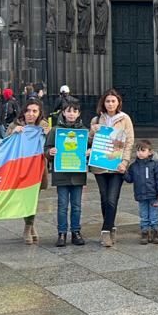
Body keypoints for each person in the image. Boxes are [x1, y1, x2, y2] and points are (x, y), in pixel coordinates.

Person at [90, 89, 135, 247]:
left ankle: (105, 230)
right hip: (100, 165)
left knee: (111, 199)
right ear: (103, 103)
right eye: (108, 101)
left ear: (118, 103)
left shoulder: (125, 119)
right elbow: (90, 142)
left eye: (113, 101)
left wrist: (125, 162)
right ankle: (111, 226)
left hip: (116, 166)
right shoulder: (96, 119)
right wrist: (92, 131)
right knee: (104, 198)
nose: (110, 104)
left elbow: (129, 142)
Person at [46, 97, 91, 247]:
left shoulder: (84, 131)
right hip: (61, 173)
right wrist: (50, 152)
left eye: (75, 111)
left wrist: (89, 152)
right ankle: (62, 233)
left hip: (78, 174)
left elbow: (91, 149)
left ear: (79, 114)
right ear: (63, 113)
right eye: (68, 111)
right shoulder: (55, 131)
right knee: (62, 205)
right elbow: (47, 149)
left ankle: (76, 232)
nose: (71, 114)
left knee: (77, 205)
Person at [7, 98, 50, 244]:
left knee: (32, 198)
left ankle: (28, 227)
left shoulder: (44, 126)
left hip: (37, 169)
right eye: (28, 111)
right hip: (20, 167)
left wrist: (48, 135)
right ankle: (30, 226)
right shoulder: (15, 125)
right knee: (26, 199)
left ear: (39, 113)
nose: (31, 114)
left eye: (34, 111)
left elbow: (50, 148)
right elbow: (4, 145)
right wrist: (13, 133)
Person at [125, 140, 158, 244]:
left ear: (150, 152)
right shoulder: (133, 166)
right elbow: (130, 179)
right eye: (138, 151)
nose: (139, 153)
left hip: (153, 195)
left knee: (154, 215)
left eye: (143, 151)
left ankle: (154, 231)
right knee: (143, 215)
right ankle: (144, 232)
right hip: (141, 195)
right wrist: (124, 173)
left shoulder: (155, 165)